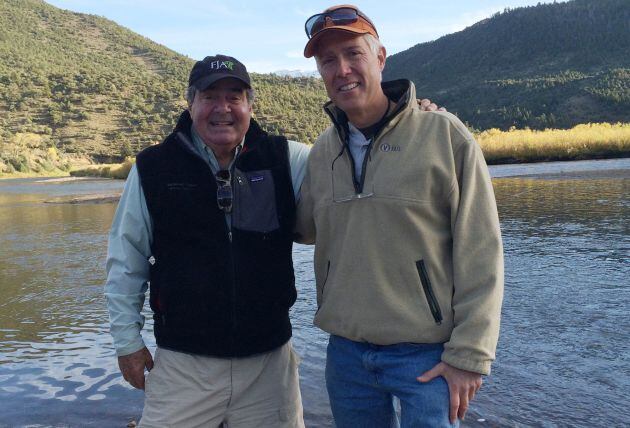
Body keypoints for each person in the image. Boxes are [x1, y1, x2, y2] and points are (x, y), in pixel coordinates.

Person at [295, 5, 504, 427]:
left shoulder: (444, 135)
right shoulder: (321, 153)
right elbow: (302, 228)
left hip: (427, 356)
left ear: (380, 57)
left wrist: (470, 356)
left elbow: (481, 251)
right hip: (346, 355)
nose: (342, 70)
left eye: (353, 53)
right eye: (328, 61)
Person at [105, 54, 310, 427]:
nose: (223, 108)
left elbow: (354, 159)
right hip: (184, 366)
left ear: (250, 104)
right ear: (191, 103)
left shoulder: (287, 159)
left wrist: (415, 123)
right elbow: (125, 259)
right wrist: (127, 341)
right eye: (210, 96)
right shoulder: (153, 167)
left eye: (234, 96)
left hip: (270, 367)